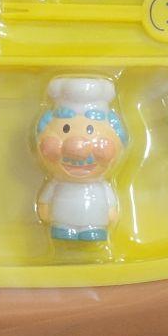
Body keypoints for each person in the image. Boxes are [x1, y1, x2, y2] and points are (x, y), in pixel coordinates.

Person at [36, 75, 127, 242]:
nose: (76, 148)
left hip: (95, 220)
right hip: (60, 220)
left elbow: (110, 200)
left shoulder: (100, 184)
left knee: (93, 233)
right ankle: (63, 230)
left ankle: (93, 231)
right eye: (65, 129)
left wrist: (111, 210)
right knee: (62, 231)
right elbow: (46, 197)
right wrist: (44, 206)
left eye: (90, 130)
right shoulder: (57, 182)